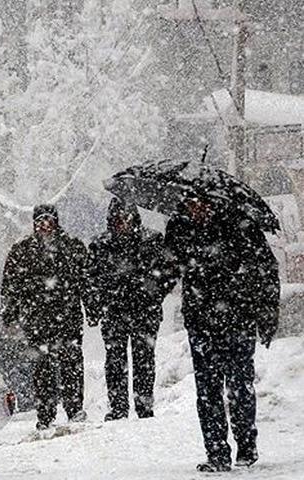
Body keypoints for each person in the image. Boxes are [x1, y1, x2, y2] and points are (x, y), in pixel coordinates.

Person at [165, 197, 279, 472]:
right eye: (191, 204)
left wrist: (266, 314)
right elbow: (168, 269)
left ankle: (246, 445)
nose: (197, 209)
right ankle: (216, 452)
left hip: (237, 319)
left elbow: (265, 269)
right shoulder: (180, 228)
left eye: (201, 204)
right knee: (208, 390)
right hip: (201, 321)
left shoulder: (240, 226)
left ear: (214, 203)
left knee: (239, 385)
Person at [1, 204, 90, 430]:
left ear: (56, 222)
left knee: (71, 364)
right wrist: (10, 315)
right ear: (34, 223)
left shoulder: (73, 247)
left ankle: (74, 408)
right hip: (37, 319)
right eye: (40, 220)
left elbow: (86, 281)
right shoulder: (22, 250)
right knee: (43, 369)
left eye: (49, 220)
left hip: (67, 316)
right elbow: (10, 286)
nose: (45, 225)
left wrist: (93, 308)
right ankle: (46, 414)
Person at [86, 198, 176, 421]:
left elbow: (169, 272)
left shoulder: (152, 241)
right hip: (115, 311)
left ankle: (144, 405)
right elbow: (90, 279)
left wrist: (154, 294)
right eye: (118, 219)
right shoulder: (100, 245)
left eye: (126, 218)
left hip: (144, 311)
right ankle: (118, 407)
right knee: (115, 361)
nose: (122, 224)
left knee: (144, 360)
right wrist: (97, 305)